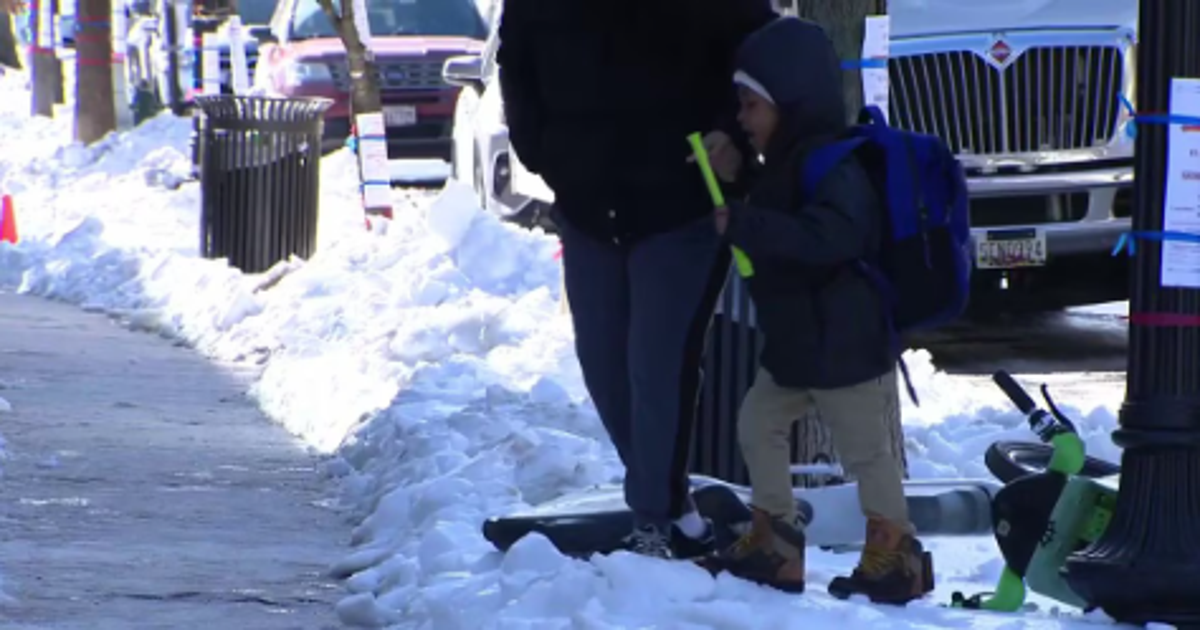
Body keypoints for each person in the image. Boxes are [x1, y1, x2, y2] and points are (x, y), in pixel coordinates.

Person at [497, 0, 777, 559]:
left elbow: (766, 49)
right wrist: (544, 151)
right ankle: (677, 509)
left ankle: (654, 520)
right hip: (586, 202)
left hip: (682, 204)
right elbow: (517, 60)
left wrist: (733, 137)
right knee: (603, 363)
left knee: (658, 364)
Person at [699, 17, 936, 604]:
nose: (745, 120)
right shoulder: (786, 163)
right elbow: (780, 217)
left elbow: (831, 237)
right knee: (758, 424)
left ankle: (895, 552)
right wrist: (736, 183)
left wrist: (747, 222)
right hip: (798, 346)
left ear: (791, 101)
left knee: (868, 455)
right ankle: (775, 537)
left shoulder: (835, 165)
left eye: (752, 106)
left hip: (844, 346)